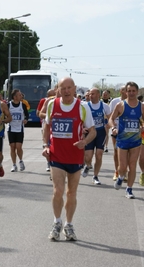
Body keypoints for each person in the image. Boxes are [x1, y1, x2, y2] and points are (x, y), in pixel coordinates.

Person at [42, 77, 96, 241]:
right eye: (62, 88)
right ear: (58, 89)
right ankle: (57, 222)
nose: (66, 91)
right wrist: (45, 145)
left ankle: (69, 225)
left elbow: (93, 131)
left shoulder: (82, 107)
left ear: (74, 88)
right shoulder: (52, 105)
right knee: (58, 191)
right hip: (56, 155)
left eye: (69, 88)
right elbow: (47, 127)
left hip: (75, 157)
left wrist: (85, 142)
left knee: (71, 193)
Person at [109, 81, 144, 199]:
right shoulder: (120, 105)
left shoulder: (142, 106)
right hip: (122, 140)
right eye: (129, 91)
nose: (131, 93)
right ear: (125, 92)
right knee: (122, 167)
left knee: (132, 165)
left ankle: (129, 189)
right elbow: (111, 119)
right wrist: (113, 128)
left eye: (133, 91)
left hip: (136, 140)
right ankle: (121, 177)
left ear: (137, 92)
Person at [81, 88, 111, 185]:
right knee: (88, 156)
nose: (90, 96)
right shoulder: (85, 106)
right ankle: (88, 165)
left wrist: (109, 124)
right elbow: (79, 118)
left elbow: (111, 118)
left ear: (98, 95)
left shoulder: (104, 106)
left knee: (99, 155)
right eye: (89, 94)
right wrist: (82, 128)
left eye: (93, 94)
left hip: (100, 133)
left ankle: (95, 176)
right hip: (89, 133)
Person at [7, 89, 29, 172]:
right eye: (19, 95)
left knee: (18, 147)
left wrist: (26, 120)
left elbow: (26, 115)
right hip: (11, 129)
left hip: (20, 129)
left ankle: (20, 161)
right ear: (15, 97)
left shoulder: (22, 105)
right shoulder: (8, 105)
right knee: (12, 147)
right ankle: (14, 164)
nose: (21, 96)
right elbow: (4, 114)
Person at [108, 86, 127, 180]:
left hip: (128, 131)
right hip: (116, 130)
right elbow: (110, 115)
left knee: (126, 152)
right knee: (116, 151)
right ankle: (117, 171)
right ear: (121, 91)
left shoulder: (132, 103)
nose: (126, 92)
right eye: (125, 90)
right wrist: (112, 126)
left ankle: (124, 172)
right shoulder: (115, 101)